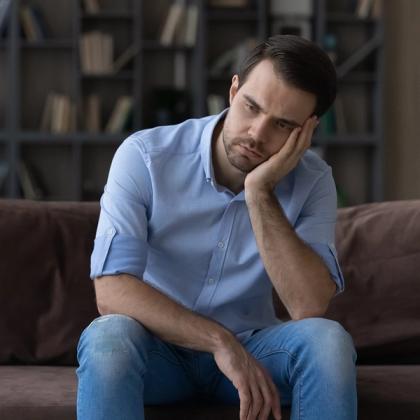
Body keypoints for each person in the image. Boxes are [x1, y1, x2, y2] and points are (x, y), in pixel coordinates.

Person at [76, 35, 357, 420]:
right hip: (158, 354)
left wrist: (258, 191)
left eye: (282, 125)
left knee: (329, 343)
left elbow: (308, 305)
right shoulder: (144, 157)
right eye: (251, 107)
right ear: (233, 89)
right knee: (107, 337)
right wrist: (219, 341)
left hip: (255, 355)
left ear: (307, 131)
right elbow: (111, 289)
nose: (257, 134)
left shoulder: (314, 181)